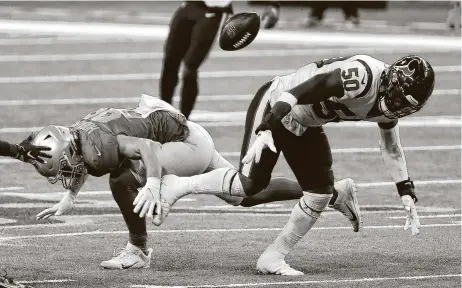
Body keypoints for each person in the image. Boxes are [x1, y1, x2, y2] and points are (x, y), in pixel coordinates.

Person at [154, 54, 435, 275]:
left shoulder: (389, 104)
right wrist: (266, 126)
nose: (396, 107)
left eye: (404, 105)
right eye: (397, 99)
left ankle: (273, 257)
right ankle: (178, 185)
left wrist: (406, 191)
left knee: (320, 192)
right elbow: (303, 90)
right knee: (248, 186)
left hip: (306, 120)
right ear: (391, 81)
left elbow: (391, 146)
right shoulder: (362, 76)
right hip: (279, 102)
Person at [31, 94, 237, 269]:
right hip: (191, 134)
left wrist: (153, 184)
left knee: (121, 180)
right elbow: (83, 159)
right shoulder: (79, 136)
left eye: (64, 168)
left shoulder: (100, 143)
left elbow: (149, 147)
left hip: (187, 146)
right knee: (245, 191)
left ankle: (138, 250)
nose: (66, 174)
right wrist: (71, 195)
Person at [160, 0, 233, 119]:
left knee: (190, 68)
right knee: (169, 61)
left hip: (213, 9)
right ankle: (163, 115)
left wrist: (274, 5)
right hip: (189, 5)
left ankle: (184, 120)